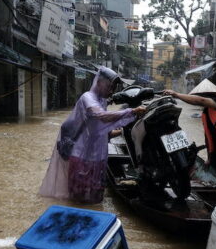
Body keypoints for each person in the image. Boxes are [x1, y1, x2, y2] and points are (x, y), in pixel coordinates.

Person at [39, 66, 146, 204]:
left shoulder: (102, 101)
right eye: (109, 86)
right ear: (99, 83)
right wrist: (132, 112)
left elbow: (100, 131)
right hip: (81, 158)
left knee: (95, 199)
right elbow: (101, 116)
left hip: (98, 159)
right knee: (78, 199)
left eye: (113, 87)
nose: (111, 91)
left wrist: (125, 129)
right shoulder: (87, 98)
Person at [164, 79, 216, 187]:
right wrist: (210, 157)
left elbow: (201, 100)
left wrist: (176, 94)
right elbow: (209, 137)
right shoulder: (207, 112)